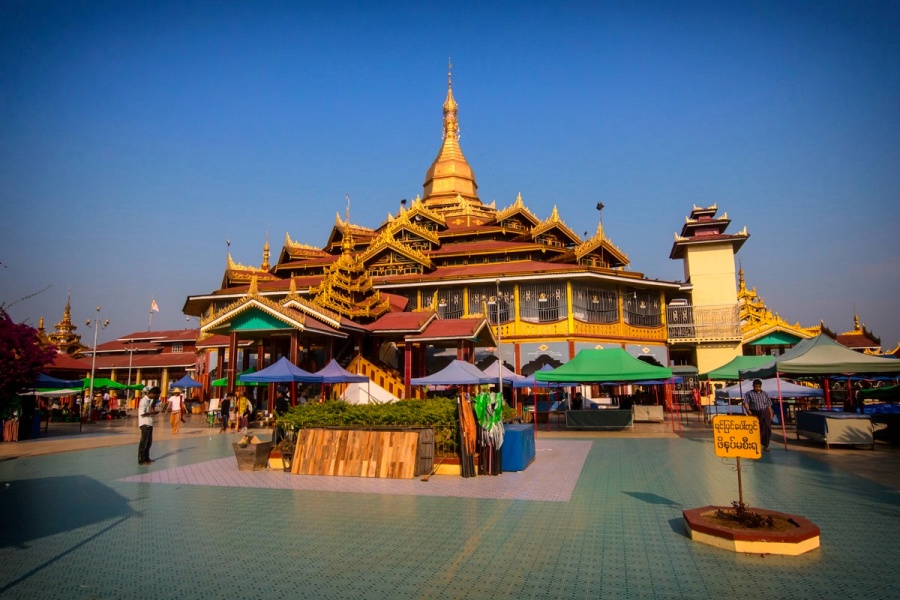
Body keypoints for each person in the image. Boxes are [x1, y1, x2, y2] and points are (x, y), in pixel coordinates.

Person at [743, 379, 774, 451]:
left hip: (765, 412)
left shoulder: (764, 393)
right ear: (753, 386)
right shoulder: (749, 393)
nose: (758, 388)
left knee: (767, 429)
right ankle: (755, 444)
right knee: (756, 429)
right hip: (755, 413)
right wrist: (748, 410)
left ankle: (766, 445)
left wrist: (771, 413)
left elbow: (769, 404)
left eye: (759, 386)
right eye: (756, 386)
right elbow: (745, 402)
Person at [138, 387, 161, 465]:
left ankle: (147, 458)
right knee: (143, 442)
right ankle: (141, 460)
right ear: (152, 394)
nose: (156, 397)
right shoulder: (143, 401)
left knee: (149, 442)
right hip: (144, 424)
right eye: (156, 396)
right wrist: (152, 413)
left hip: (149, 423)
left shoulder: (149, 401)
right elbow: (142, 413)